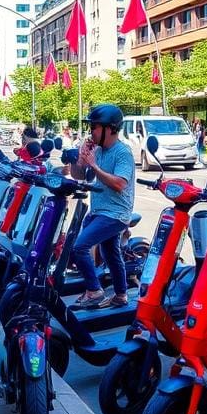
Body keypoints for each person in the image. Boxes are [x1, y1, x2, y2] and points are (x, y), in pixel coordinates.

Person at [70, 104, 134, 309]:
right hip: (99, 210)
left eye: (95, 127)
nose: (91, 132)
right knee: (110, 253)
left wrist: (94, 166)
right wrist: (80, 160)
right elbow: (79, 176)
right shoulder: (97, 150)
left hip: (115, 213)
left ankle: (94, 290)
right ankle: (121, 295)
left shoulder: (122, 153)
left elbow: (119, 183)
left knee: (79, 247)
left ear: (110, 128)